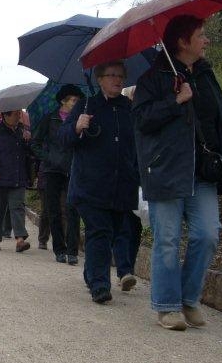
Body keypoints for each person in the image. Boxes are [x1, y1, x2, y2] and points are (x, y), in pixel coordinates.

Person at [132, 15, 222, 330]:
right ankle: (167, 307)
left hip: (202, 171)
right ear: (182, 41)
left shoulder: (205, 74)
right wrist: (175, 100)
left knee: (207, 234)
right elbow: (142, 121)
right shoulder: (152, 79)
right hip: (166, 169)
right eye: (201, 35)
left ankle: (189, 298)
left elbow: (219, 122)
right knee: (167, 239)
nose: (206, 40)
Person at [59, 61, 139, 304]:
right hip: (90, 184)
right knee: (99, 231)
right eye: (111, 75)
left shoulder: (129, 108)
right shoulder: (86, 106)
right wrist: (76, 127)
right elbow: (63, 139)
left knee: (112, 232)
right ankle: (100, 285)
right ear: (100, 79)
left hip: (121, 185)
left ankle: (91, 273)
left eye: (121, 76)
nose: (117, 79)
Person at [31, 84, 84, 265]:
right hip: (52, 170)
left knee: (72, 210)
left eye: (78, 101)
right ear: (63, 101)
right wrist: (48, 157)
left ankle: (73, 251)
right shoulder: (50, 119)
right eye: (73, 100)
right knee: (53, 210)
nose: (76, 103)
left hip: (73, 168)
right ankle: (59, 249)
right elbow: (35, 143)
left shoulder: (80, 120)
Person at [0, 109, 31, 252]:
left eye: (19, 114)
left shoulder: (22, 131)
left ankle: (20, 239)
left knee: (17, 207)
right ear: (5, 115)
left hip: (17, 176)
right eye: (16, 114)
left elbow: (29, 153)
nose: (19, 116)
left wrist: (28, 140)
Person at [112, 85, 143, 288]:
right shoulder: (122, 116)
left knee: (135, 229)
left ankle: (128, 268)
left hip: (141, 180)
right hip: (122, 179)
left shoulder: (147, 117)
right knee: (123, 227)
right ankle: (124, 270)